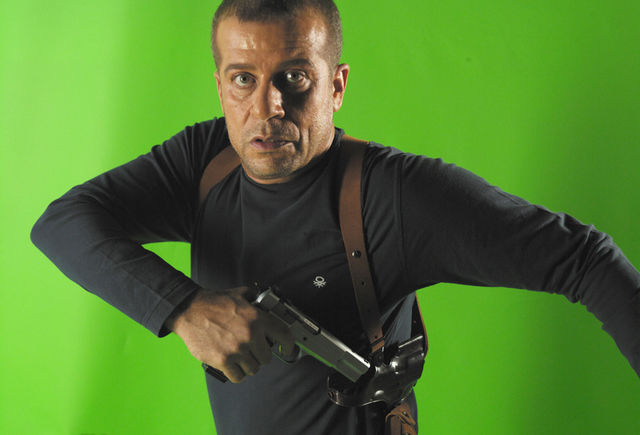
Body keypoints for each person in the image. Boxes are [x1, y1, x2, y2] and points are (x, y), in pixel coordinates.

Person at [30, 0, 640, 434]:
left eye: (294, 78)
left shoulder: (394, 196)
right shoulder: (205, 162)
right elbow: (61, 222)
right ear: (220, 87)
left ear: (337, 86)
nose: (268, 107)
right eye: (243, 80)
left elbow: (584, 259)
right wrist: (184, 307)